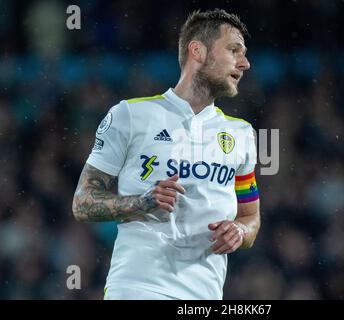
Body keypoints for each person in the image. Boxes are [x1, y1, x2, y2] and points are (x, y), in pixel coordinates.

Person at [72, 8, 260, 300]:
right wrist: (141, 202)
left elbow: (251, 217)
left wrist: (239, 231)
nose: (245, 63)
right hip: (137, 288)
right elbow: (82, 203)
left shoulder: (241, 134)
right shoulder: (130, 115)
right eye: (234, 50)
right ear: (197, 51)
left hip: (204, 296)